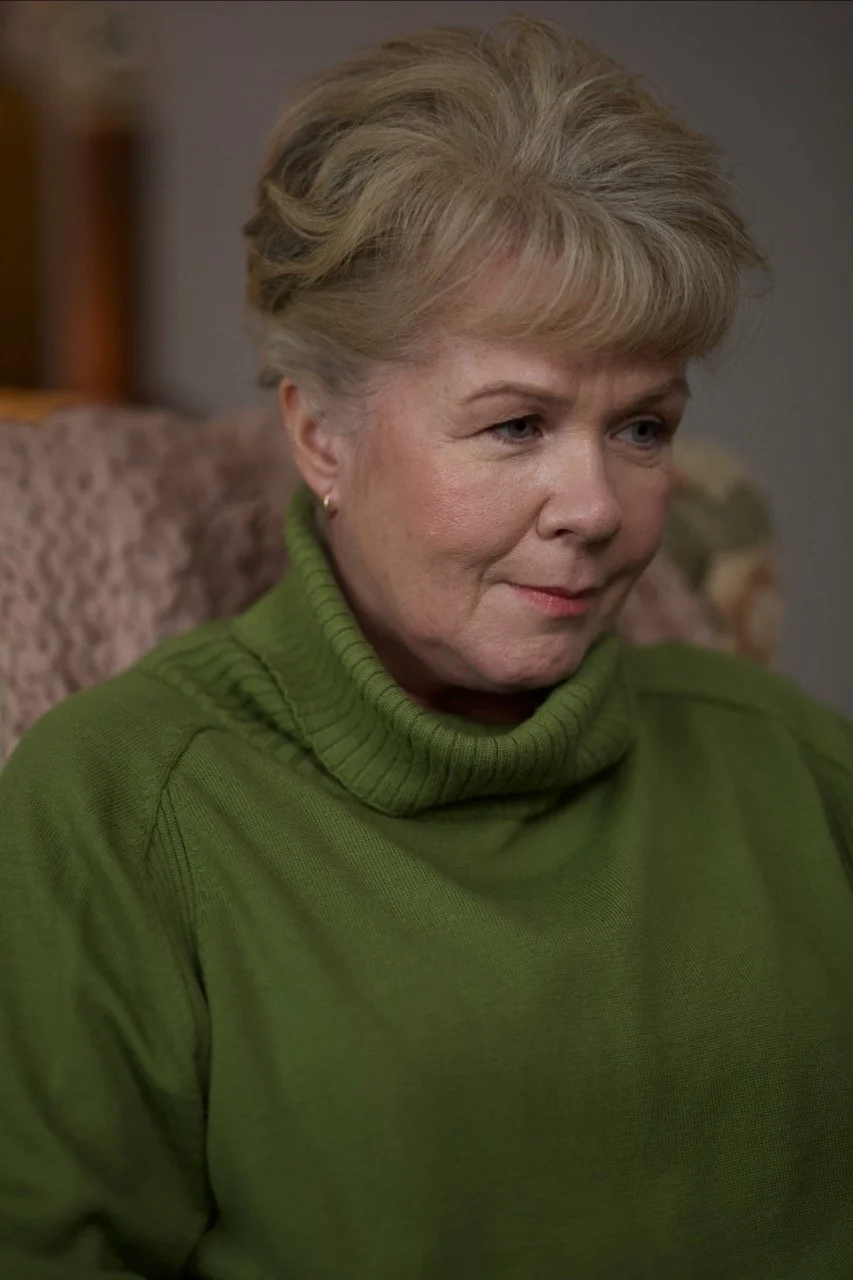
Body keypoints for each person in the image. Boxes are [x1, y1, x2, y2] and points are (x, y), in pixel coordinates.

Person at [1, 15, 851, 1279]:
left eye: (643, 426)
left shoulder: (786, 760)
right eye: (515, 424)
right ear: (319, 436)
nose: (597, 505)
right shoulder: (121, 805)